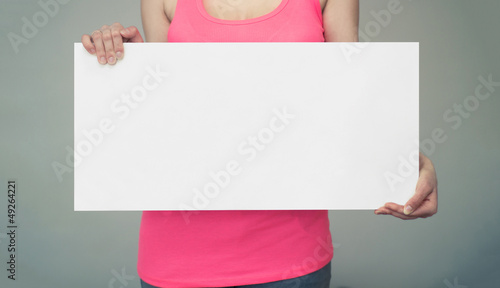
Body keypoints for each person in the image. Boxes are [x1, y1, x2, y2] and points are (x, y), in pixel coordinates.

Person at [81, 0, 438, 287]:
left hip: (291, 260)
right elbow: (166, 122)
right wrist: (120, 68)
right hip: (178, 257)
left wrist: (407, 163)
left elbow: (348, 107)